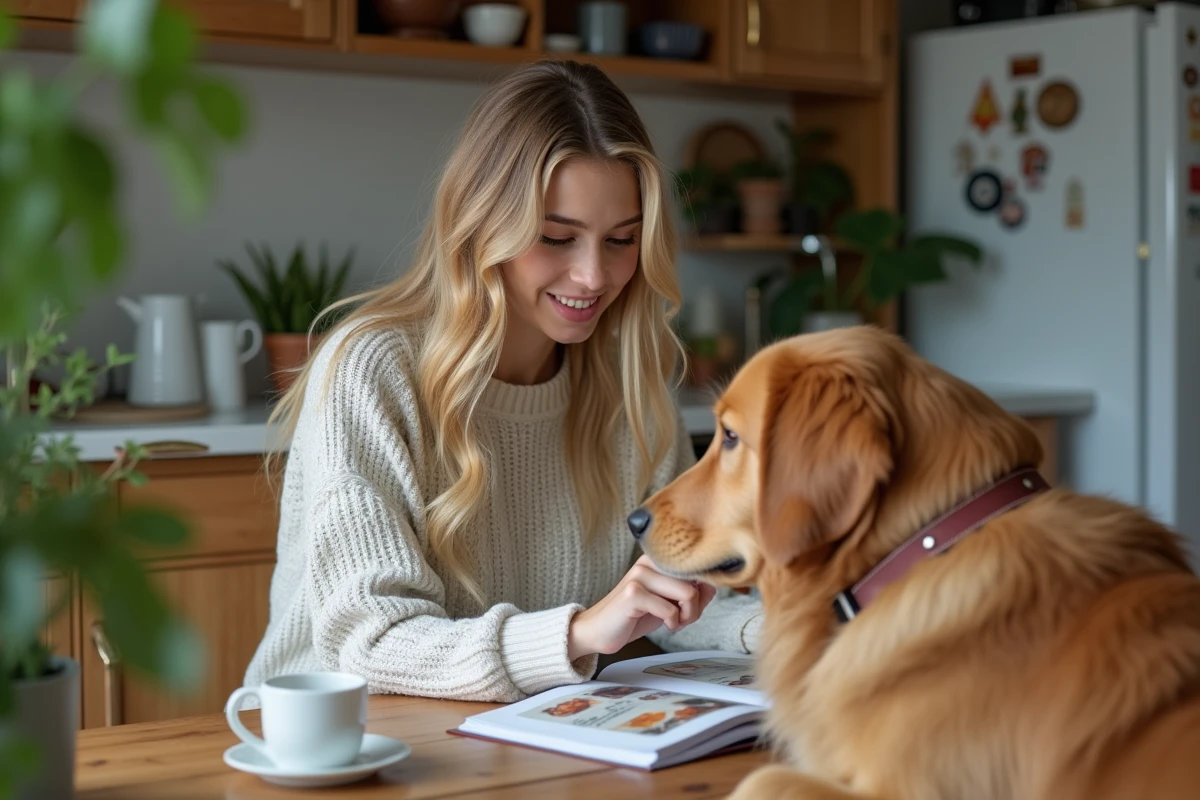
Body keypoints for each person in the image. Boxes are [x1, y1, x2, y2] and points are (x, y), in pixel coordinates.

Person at [242, 59, 763, 703]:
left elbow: (676, 593)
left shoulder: (630, 379)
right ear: (484, 222)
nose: (594, 276)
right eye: (556, 237)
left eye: (622, 240)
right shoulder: (372, 370)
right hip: (346, 748)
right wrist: (577, 634)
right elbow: (369, 642)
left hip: (532, 738)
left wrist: (788, 629)